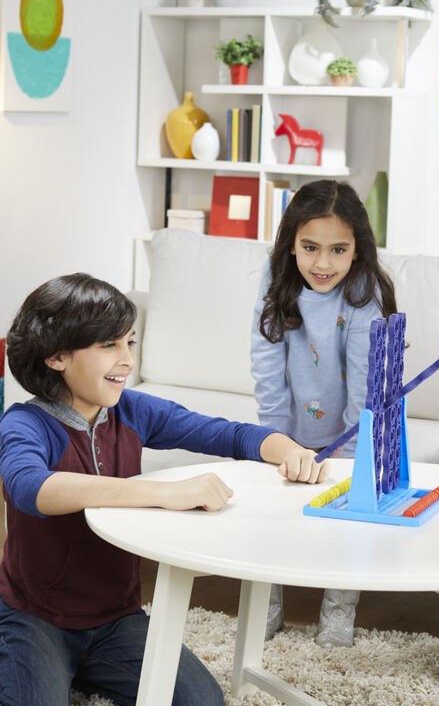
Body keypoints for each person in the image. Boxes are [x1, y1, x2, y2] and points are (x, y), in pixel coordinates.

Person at [0, 273, 328, 706]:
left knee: (203, 701)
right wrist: (162, 492)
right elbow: (31, 489)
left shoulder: (133, 410)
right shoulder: (25, 423)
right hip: (35, 617)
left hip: (117, 619)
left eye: (130, 343)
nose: (126, 360)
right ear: (57, 356)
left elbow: (225, 434)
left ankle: (81, 670)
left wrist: (285, 447)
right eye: (108, 346)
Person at [251, 179, 396, 647]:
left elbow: (364, 383)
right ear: (291, 243)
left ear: (357, 250)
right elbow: (267, 361)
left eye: (338, 250)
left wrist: (350, 456)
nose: (322, 263)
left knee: (349, 519)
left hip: (351, 434)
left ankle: (338, 612)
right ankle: (264, 608)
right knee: (269, 513)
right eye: (310, 247)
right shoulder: (274, 278)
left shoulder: (364, 292)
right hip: (288, 430)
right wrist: (275, 441)